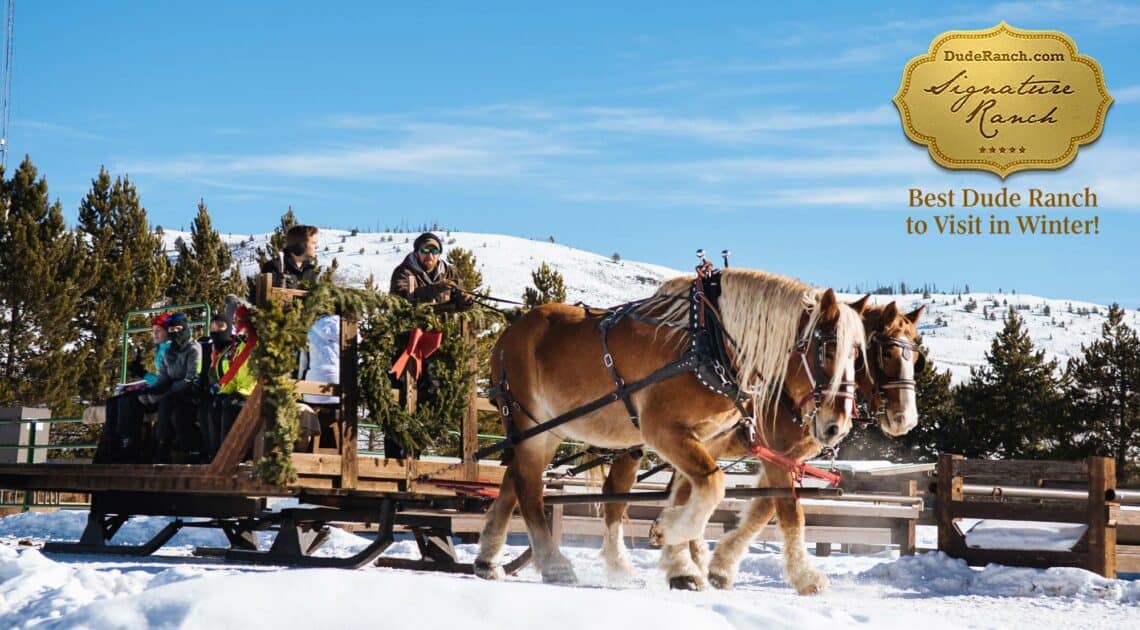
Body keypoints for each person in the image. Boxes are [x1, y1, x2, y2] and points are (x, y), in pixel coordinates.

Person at [95, 313, 171, 463]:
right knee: (113, 401)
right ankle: (109, 447)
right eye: (153, 331)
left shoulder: (171, 350)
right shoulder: (161, 349)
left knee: (130, 402)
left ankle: (128, 446)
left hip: (167, 393)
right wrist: (143, 377)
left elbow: (167, 380)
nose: (154, 334)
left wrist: (144, 375)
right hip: (159, 389)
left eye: (158, 331)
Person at [139, 312, 203, 464]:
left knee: (171, 407)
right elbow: (163, 377)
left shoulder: (193, 349)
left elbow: (191, 377)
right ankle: (147, 449)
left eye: (178, 329)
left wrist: (164, 391)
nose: (175, 333)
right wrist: (152, 390)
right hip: (173, 391)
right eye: (172, 330)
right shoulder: (169, 351)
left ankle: (179, 451)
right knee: (141, 401)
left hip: (191, 391)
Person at [204, 304, 256, 461]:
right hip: (238, 389)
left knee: (231, 407)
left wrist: (242, 391)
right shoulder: (240, 345)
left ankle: (232, 456)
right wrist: (224, 390)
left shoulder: (255, 344)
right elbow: (234, 372)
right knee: (216, 406)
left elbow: (252, 374)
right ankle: (217, 453)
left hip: (249, 391)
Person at [389, 232, 472, 311]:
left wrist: (466, 300)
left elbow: (464, 306)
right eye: (425, 251)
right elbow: (400, 301)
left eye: (434, 251)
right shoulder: (403, 272)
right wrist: (437, 288)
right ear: (416, 253)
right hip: (413, 324)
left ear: (439, 254)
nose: (430, 256)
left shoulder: (448, 272)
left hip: (444, 324)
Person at [260, 224, 319, 289]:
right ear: (300, 245)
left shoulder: (311, 271)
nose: (316, 247)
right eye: (313, 243)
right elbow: (261, 295)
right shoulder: (273, 267)